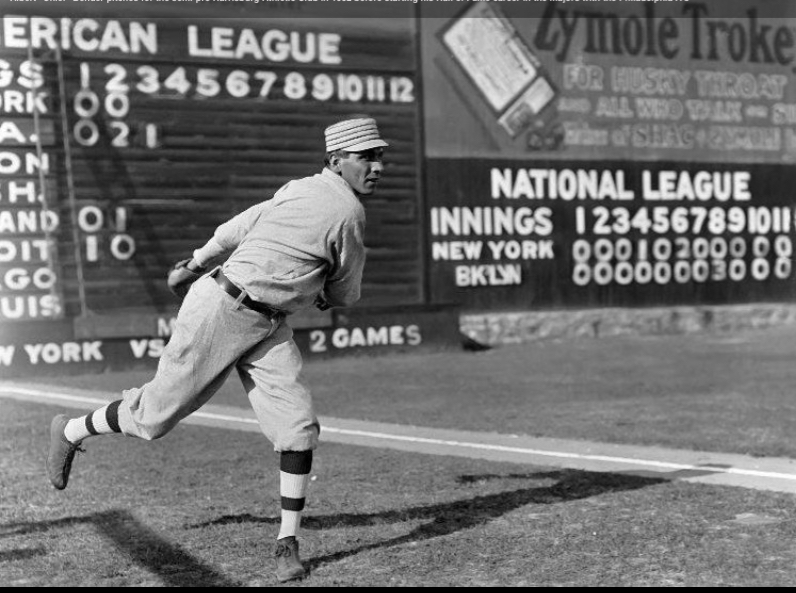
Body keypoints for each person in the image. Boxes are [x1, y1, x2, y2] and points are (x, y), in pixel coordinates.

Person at [46, 116, 388, 583]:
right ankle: (70, 430)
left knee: (297, 427)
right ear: (336, 160)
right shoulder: (346, 212)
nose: (377, 166)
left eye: (379, 156)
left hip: (268, 325)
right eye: (366, 157)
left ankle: (287, 542)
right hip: (221, 309)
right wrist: (322, 288)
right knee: (153, 419)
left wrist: (192, 263)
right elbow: (345, 293)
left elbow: (236, 227)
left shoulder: (297, 188)